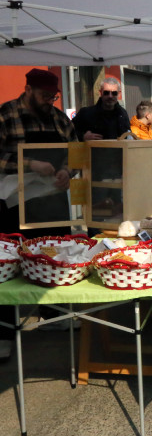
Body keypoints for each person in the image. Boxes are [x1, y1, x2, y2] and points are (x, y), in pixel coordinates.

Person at [0, 69, 78, 359]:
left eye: (53, 96)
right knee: (9, 266)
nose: (49, 102)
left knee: (54, 258)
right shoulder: (7, 115)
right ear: (28, 89)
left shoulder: (59, 119)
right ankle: (4, 332)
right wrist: (30, 163)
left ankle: (54, 316)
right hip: (12, 203)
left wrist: (66, 171)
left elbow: (76, 151)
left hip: (51, 202)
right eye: (45, 96)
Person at [72, 77, 130, 141]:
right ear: (100, 93)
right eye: (106, 93)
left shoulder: (122, 114)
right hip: (93, 150)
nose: (110, 96)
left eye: (114, 93)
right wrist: (83, 137)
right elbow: (69, 133)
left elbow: (128, 136)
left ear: (119, 94)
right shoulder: (86, 113)